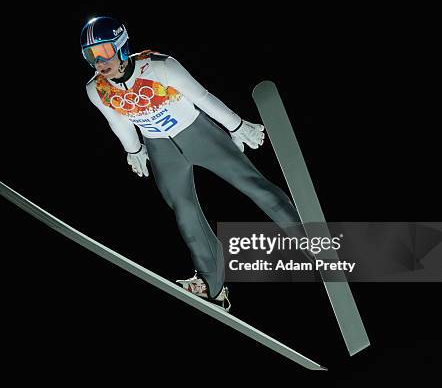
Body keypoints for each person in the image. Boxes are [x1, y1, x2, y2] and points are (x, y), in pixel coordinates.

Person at [82, 16, 302, 311]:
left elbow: (202, 97)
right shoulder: (97, 89)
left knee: (251, 184)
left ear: (121, 47)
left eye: (104, 52)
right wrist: (133, 150)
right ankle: (213, 285)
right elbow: (117, 121)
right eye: (91, 55)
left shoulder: (159, 65)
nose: (99, 62)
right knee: (185, 215)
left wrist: (236, 126)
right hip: (161, 149)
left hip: (197, 134)